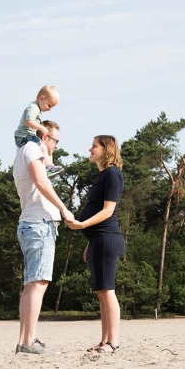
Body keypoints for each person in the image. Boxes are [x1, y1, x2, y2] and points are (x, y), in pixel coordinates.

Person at [13, 119, 74, 354]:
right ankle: (28, 343)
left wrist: (46, 151)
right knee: (38, 285)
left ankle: (24, 342)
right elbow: (40, 182)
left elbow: (45, 171)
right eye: (55, 140)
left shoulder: (25, 151)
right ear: (44, 136)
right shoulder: (31, 149)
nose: (56, 145)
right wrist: (64, 208)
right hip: (38, 225)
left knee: (32, 285)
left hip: (33, 224)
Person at [65, 135, 124, 353]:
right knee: (101, 291)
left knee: (108, 291)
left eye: (94, 146)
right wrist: (89, 242)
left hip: (107, 237)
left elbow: (108, 211)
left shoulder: (113, 174)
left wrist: (82, 225)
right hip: (98, 240)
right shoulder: (103, 175)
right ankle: (104, 341)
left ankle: (113, 342)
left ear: (106, 150)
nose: (90, 149)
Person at [14, 85, 64, 178]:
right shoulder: (33, 108)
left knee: (44, 148)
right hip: (24, 135)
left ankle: (48, 167)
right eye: (49, 105)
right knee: (43, 148)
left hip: (25, 135)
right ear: (42, 98)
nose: (49, 109)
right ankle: (48, 167)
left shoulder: (37, 108)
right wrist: (41, 128)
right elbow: (28, 121)